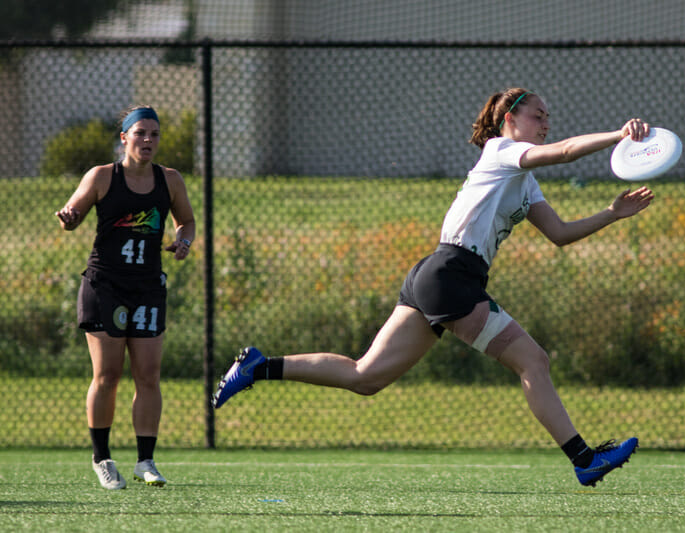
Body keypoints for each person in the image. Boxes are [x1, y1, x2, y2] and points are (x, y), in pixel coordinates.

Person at [212, 88, 654, 487]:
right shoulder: (501, 151)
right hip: (450, 275)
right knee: (532, 360)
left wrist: (612, 213)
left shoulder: (525, 182)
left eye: (547, 117)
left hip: (440, 276)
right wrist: (619, 135)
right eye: (538, 115)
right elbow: (564, 152)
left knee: (366, 377)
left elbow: (559, 233)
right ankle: (583, 458)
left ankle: (258, 367)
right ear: (509, 121)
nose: (546, 123)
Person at [55, 105, 195, 490]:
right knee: (108, 375)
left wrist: (183, 240)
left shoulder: (170, 180)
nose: (148, 140)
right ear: (125, 138)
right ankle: (102, 458)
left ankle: (145, 461)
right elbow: (75, 212)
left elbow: (187, 220)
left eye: (154, 134)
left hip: (148, 287)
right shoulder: (102, 176)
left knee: (148, 375)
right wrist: (69, 216)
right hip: (106, 286)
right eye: (140, 134)